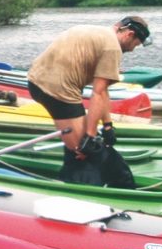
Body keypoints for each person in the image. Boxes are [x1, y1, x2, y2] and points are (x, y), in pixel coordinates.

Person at [27, 16, 150, 184]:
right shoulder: (112, 48)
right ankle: (76, 191)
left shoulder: (98, 32)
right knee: (83, 151)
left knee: (84, 143)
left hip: (37, 80)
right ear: (129, 34)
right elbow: (97, 93)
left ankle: (76, 178)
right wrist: (90, 136)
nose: (133, 49)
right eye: (135, 44)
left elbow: (103, 90)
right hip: (57, 89)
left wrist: (107, 125)